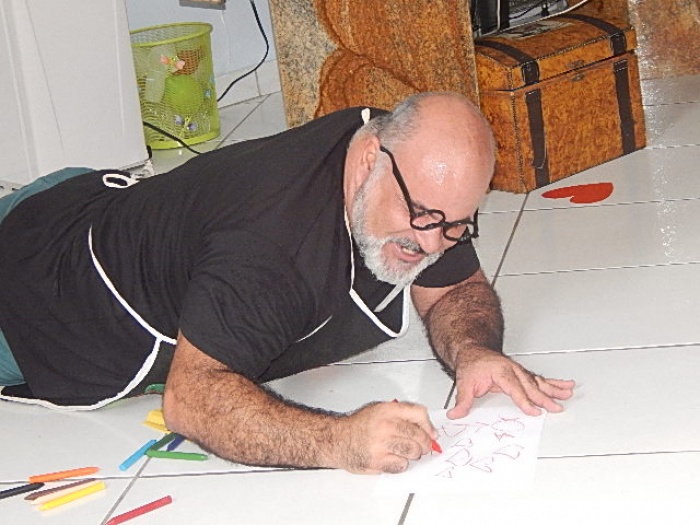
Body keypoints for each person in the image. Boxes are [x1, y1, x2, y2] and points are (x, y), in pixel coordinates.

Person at [0, 92, 574, 474]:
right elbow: (191, 400)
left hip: (88, 199)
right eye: (422, 217)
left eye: (455, 225)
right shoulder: (271, 246)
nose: (431, 244)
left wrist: (474, 351)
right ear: (370, 158)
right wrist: (341, 442)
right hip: (30, 287)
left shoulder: (408, 162)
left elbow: (452, 287)